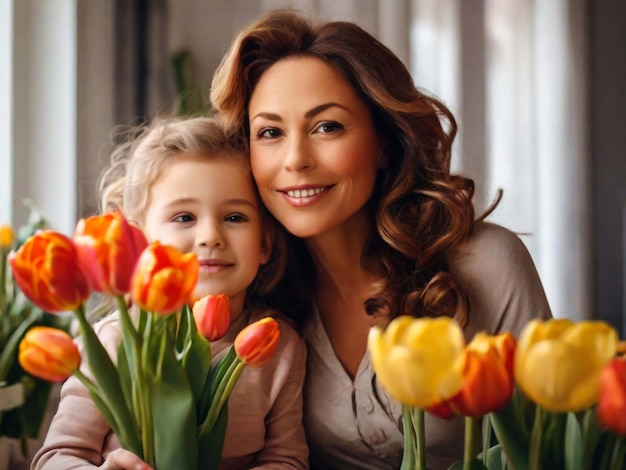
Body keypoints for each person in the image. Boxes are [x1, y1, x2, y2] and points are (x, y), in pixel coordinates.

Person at [209, 9, 553, 470]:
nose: (295, 160)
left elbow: (550, 448)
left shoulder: (486, 263)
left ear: (384, 142)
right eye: (270, 132)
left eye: (327, 126)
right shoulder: (262, 290)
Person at [31, 116, 309, 469]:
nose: (211, 236)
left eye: (235, 217)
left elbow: (287, 458)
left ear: (265, 242)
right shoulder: (112, 343)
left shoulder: (279, 345)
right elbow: (55, 458)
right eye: (184, 217)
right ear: (138, 241)